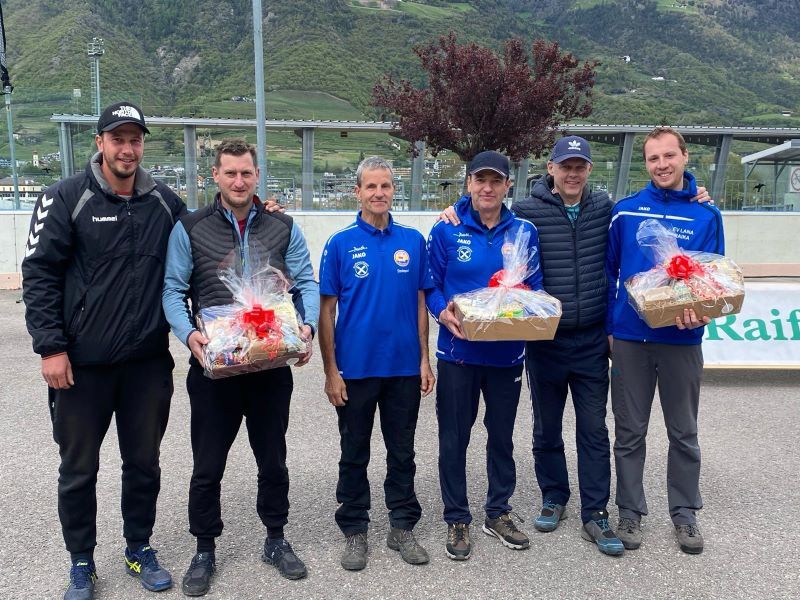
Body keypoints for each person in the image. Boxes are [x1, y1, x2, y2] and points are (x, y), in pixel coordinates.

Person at [439, 136, 713, 557]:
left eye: (579, 166)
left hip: (591, 339)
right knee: (546, 428)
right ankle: (554, 496)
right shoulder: (527, 213)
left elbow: (630, 243)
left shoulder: (607, 208)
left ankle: (595, 512)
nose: (571, 173)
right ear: (550, 168)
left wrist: (694, 193)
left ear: (588, 170)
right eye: (564, 166)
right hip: (546, 340)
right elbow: (486, 206)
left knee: (594, 429)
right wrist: (457, 209)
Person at [22, 101, 185, 599]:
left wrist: (261, 212)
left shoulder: (165, 203)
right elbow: (39, 275)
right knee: (78, 471)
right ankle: (82, 562)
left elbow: (204, 244)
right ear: (100, 143)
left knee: (144, 465)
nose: (127, 149)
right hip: (80, 368)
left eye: (135, 139)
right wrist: (51, 348)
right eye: (118, 139)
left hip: (146, 366)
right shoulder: (64, 196)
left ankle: (138, 548)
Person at [162, 139, 319, 595]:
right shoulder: (190, 228)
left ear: (257, 175)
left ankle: (276, 538)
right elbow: (172, 290)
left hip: (270, 366)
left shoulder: (282, 226)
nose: (238, 181)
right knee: (207, 464)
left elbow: (306, 282)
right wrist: (188, 335)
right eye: (230, 173)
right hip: (215, 370)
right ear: (215, 175)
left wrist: (306, 326)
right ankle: (204, 549)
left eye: (246, 173)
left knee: (273, 459)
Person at [605, 126, 724, 555]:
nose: (662, 165)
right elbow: (609, 273)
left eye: (669, 156)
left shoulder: (706, 215)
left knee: (684, 432)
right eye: (653, 158)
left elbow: (714, 276)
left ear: (685, 156)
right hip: (631, 339)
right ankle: (630, 511)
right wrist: (610, 329)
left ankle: (685, 514)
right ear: (646, 163)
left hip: (682, 339)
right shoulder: (625, 212)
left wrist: (703, 311)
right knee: (629, 432)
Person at [318, 156, 435, 571]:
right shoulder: (340, 243)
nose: (379, 193)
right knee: (354, 453)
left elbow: (421, 303)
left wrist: (424, 359)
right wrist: (331, 371)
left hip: (403, 369)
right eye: (371, 186)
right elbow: (326, 311)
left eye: (385, 186)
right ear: (358, 192)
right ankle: (355, 529)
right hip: (355, 371)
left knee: (402, 452)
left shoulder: (413, 241)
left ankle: (402, 526)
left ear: (393, 190)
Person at [426, 150, 543, 560]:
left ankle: (498, 512)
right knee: (453, 438)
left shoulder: (524, 231)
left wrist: (525, 303)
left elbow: (536, 286)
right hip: (458, 353)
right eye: (480, 180)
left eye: (496, 181)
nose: (488, 188)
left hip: (507, 356)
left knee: (502, 437)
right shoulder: (446, 229)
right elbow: (430, 284)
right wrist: (442, 313)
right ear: (469, 184)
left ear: (508, 185)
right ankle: (457, 517)